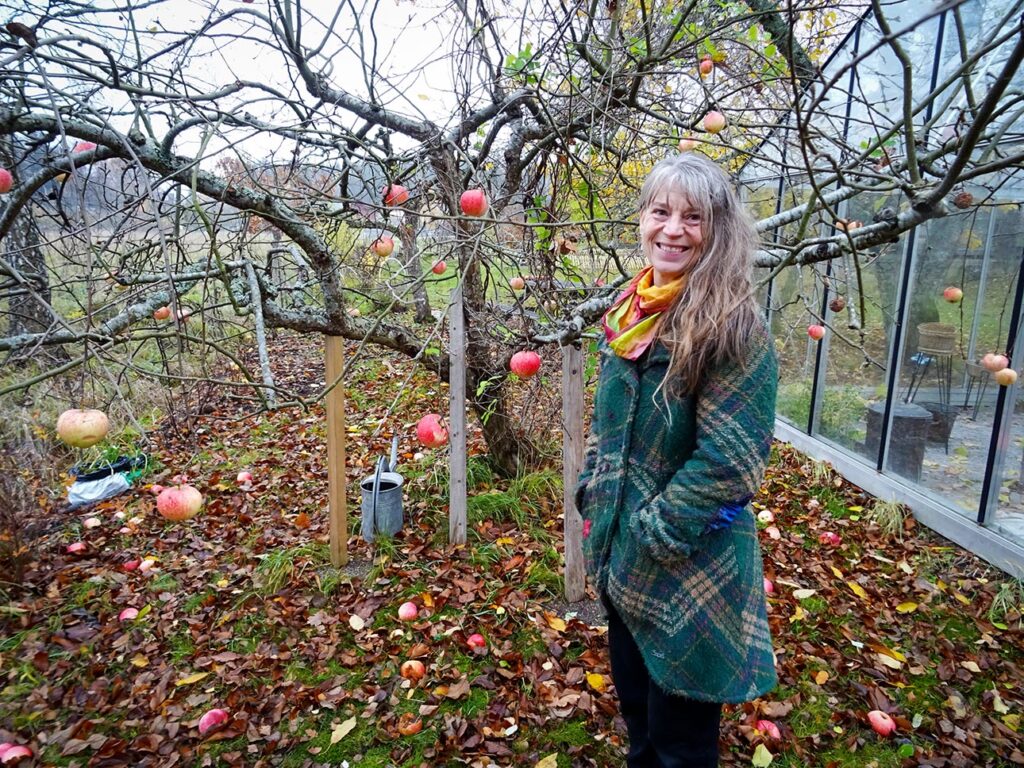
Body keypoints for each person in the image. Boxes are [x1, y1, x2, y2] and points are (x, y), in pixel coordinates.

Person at [575, 152, 778, 768]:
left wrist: (653, 532)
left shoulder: (732, 326)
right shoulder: (631, 310)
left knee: (680, 747)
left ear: (719, 231)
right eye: (660, 211)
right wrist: (593, 490)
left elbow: (733, 460)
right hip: (623, 562)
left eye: (693, 217)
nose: (672, 229)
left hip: (689, 568)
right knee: (639, 724)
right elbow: (609, 426)